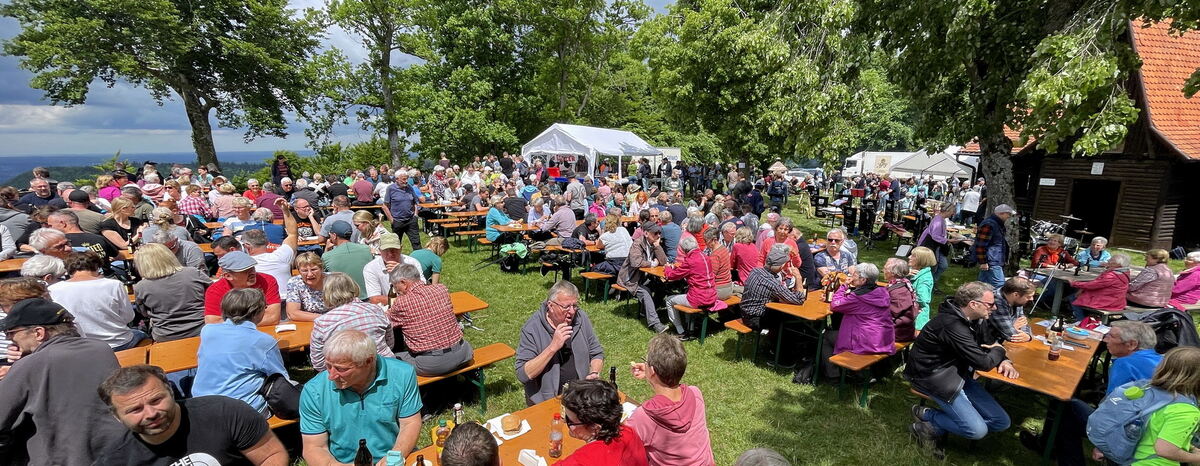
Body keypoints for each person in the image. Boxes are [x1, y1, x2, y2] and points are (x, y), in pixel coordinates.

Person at [0, 297, 127, 466]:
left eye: (11, 333)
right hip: (115, 453)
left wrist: (21, 365)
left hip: (62, 459)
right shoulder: (101, 348)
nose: (10, 339)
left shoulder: (30, 365)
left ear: (38, 333)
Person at [1020, 320, 1164, 466]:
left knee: (1065, 407)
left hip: (1135, 432)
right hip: (1159, 430)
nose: (1105, 339)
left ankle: (1052, 451)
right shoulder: (1163, 361)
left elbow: (1115, 408)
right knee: (1071, 406)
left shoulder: (1126, 364)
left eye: (1111, 336)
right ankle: (1047, 446)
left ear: (1132, 344)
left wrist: (1102, 444)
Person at [907, 282, 1018, 456]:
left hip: (957, 374)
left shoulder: (977, 319)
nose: (995, 308)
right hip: (932, 377)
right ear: (973, 304)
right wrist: (1000, 350)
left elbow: (988, 343)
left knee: (1001, 422)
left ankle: (930, 421)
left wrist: (1004, 361)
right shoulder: (952, 325)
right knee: (977, 431)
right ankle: (929, 417)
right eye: (990, 304)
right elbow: (983, 362)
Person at [97, 365, 287, 465]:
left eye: (156, 400)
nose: (151, 413)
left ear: (171, 392)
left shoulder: (225, 412)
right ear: (117, 416)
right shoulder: (114, 460)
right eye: (135, 410)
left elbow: (270, 456)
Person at [300, 329, 423, 464]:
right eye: (328, 366)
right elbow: (314, 447)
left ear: (368, 361)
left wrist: (394, 457)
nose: (331, 376)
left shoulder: (402, 374)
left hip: (395, 458)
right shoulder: (314, 391)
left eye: (342, 369)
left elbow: (410, 423)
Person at [193, 289, 291, 417]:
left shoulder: (208, 330)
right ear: (256, 312)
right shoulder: (263, 341)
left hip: (201, 404)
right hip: (242, 411)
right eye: (264, 307)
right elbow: (280, 378)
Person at [1096, 346, 1200, 465]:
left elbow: (1157, 430)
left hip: (1127, 455)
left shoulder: (1147, 390)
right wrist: (1196, 459)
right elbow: (1165, 450)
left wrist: (1191, 448)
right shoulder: (1186, 411)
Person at [626, 334, 715, 466]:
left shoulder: (644, 417)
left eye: (646, 361)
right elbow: (669, 393)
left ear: (652, 370)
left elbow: (622, 442)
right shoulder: (695, 394)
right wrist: (652, 375)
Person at [516, 281, 606, 405]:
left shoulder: (580, 318)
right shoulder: (532, 328)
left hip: (580, 396)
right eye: (566, 307)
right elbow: (523, 374)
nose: (572, 311)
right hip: (546, 402)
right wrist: (553, 347)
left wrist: (594, 372)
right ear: (550, 306)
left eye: (575, 305)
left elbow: (596, 353)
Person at [387, 264, 473, 376]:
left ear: (404, 283)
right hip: (464, 353)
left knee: (388, 359)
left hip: (434, 364)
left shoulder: (402, 302)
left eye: (395, 286)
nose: (395, 291)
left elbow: (385, 321)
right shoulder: (441, 289)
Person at [47, 252, 145, 350]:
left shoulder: (53, 289)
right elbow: (128, 317)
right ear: (97, 266)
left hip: (81, 345)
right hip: (118, 342)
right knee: (141, 334)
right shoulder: (113, 285)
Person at [309, 273, 394, 369]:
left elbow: (318, 363)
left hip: (348, 373)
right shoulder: (376, 309)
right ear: (354, 287)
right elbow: (390, 342)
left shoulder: (323, 323)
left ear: (326, 293)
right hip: (386, 365)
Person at [556, 379, 649, 465]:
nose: (565, 421)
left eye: (570, 421)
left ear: (595, 428)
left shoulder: (583, 460)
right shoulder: (628, 432)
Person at [823, 263, 894, 376]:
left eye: (854, 275)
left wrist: (844, 286)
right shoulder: (882, 292)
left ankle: (833, 376)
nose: (851, 277)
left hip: (865, 343)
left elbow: (835, 305)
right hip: (882, 339)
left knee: (826, 336)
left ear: (863, 279)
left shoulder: (858, 298)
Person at [133, 243, 207, 342]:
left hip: (165, 335)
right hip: (202, 328)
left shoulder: (141, 286)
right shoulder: (193, 273)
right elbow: (214, 292)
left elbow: (144, 313)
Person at [739, 244, 808, 332]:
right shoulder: (772, 283)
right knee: (790, 317)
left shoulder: (755, 271)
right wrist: (798, 277)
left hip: (745, 314)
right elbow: (799, 300)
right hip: (756, 320)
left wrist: (783, 275)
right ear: (781, 266)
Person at [618, 222, 671, 333]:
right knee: (646, 292)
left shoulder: (654, 243)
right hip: (631, 279)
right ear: (646, 233)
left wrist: (657, 246)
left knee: (662, 287)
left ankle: (646, 311)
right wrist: (652, 264)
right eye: (655, 233)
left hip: (645, 277)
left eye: (659, 233)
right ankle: (655, 324)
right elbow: (635, 262)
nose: (658, 235)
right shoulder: (637, 244)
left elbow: (663, 261)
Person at [204, 251, 281, 325]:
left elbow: (272, 317)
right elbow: (213, 322)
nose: (252, 273)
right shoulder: (215, 290)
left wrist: (232, 324)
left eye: (252, 267)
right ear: (228, 276)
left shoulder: (266, 281)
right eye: (245, 270)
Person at [664, 234, 718, 340]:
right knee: (686, 293)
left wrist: (667, 268)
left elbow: (671, 276)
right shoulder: (706, 257)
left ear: (684, 250)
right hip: (712, 295)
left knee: (669, 300)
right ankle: (690, 326)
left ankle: (681, 331)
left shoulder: (690, 261)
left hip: (699, 298)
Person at [1067, 252, 1131, 322]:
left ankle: (1081, 321)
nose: (1108, 260)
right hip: (1117, 301)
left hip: (1107, 302)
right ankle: (1087, 319)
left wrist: (1074, 283)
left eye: (1111, 260)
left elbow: (1092, 285)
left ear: (1117, 264)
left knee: (1073, 298)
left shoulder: (1112, 276)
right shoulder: (1124, 273)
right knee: (1079, 294)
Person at [322, 220, 376, 299]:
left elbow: (321, 273)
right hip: (370, 297)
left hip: (343, 300)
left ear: (334, 236)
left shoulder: (327, 256)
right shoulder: (366, 249)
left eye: (330, 234)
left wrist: (326, 250)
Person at [974, 204, 1016, 287]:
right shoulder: (989, 224)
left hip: (993, 259)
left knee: (982, 286)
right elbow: (980, 244)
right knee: (999, 285)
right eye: (1008, 214)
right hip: (992, 261)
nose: (1009, 216)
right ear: (1001, 213)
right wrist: (983, 262)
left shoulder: (997, 224)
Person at [987, 277, 1036, 343]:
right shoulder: (997, 302)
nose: (1032, 299)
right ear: (1015, 294)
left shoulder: (1017, 301)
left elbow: (1023, 322)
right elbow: (1011, 335)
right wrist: (1013, 326)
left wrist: (1028, 336)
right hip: (990, 342)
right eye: (1028, 297)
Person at [285, 252, 330, 321]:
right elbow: (292, 313)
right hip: (308, 322)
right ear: (299, 271)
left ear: (321, 269)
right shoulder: (294, 283)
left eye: (314, 269)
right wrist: (325, 318)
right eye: (305, 271)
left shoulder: (334, 280)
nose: (310, 274)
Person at [385, 171, 423, 250]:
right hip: (397, 221)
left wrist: (415, 215)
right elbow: (385, 206)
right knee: (395, 245)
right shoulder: (391, 189)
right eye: (403, 179)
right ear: (397, 179)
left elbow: (415, 202)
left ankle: (419, 257)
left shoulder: (409, 188)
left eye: (406, 179)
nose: (406, 181)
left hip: (411, 220)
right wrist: (392, 220)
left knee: (416, 243)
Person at [884, 258, 918, 343]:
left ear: (892, 273)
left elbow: (891, 313)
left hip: (898, 332)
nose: (883, 271)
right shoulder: (902, 283)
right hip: (898, 328)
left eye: (885, 269)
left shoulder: (899, 292)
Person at [703, 226, 741, 299]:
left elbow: (711, 277)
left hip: (719, 290)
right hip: (728, 287)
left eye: (706, 241)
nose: (705, 243)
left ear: (714, 240)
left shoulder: (715, 255)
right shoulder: (724, 249)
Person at [908, 246, 936, 330]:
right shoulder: (912, 271)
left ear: (921, 260)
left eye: (913, 256)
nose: (909, 257)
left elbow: (922, 299)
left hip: (916, 318)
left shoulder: (925, 279)